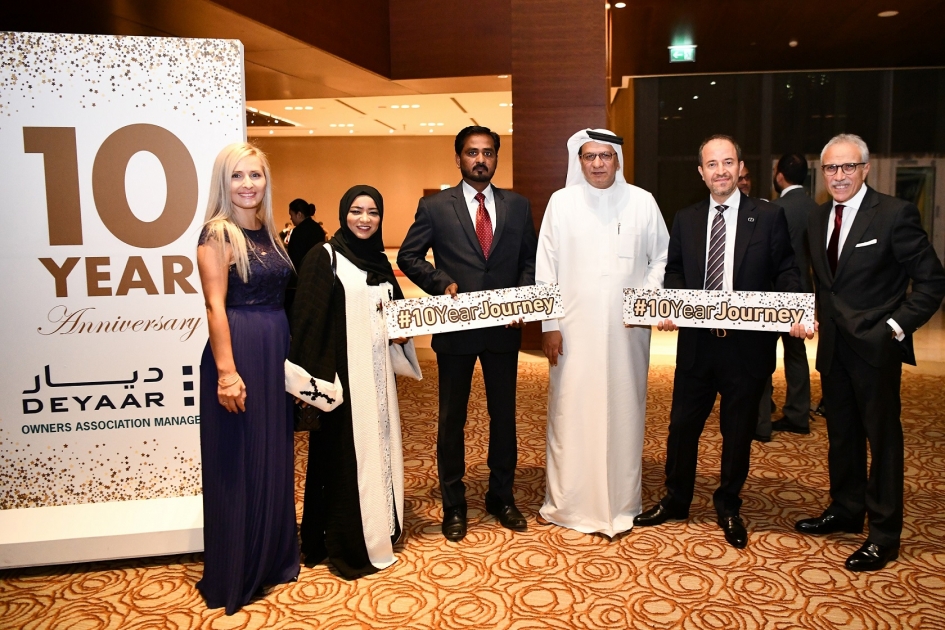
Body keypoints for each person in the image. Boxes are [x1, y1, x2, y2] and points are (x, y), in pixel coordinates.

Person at [633, 134, 804, 549]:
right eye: (712, 164)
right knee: (681, 427)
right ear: (701, 172)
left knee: (737, 431)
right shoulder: (686, 218)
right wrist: (671, 303)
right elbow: (674, 270)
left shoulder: (768, 216)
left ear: (740, 168)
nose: (721, 171)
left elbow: (786, 269)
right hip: (698, 346)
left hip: (747, 349)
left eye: (728, 162)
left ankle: (728, 504)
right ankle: (676, 499)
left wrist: (795, 309)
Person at [795, 134, 945, 571]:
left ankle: (884, 534)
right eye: (831, 168)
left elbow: (932, 281)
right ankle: (846, 509)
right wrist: (809, 315)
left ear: (865, 169)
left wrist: (894, 328)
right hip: (834, 348)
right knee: (841, 434)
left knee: (882, 441)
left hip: (877, 350)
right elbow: (826, 284)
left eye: (848, 167)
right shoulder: (817, 217)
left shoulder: (895, 214)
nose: (839, 176)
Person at [397, 126, 537, 542]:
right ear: (458, 158)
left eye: (488, 153)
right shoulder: (435, 206)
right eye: (472, 153)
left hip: (503, 328)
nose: (481, 160)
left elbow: (529, 259)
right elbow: (409, 255)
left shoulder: (518, 205)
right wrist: (440, 283)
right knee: (451, 419)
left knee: (504, 417)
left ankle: (501, 497)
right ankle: (454, 504)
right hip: (456, 328)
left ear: (496, 158)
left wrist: (520, 299)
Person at [536, 128, 669, 537]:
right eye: (589, 156)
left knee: (624, 412)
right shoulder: (561, 203)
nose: (597, 164)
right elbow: (546, 269)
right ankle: (569, 504)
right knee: (571, 414)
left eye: (605, 156)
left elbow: (661, 257)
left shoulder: (643, 202)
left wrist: (645, 301)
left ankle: (622, 502)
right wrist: (550, 325)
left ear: (617, 160)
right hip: (572, 334)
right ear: (579, 161)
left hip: (629, 334)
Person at [290, 185, 420, 578]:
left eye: (373, 212)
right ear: (344, 214)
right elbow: (308, 319)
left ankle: (381, 526)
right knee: (346, 458)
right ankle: (347, 540)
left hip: (379, 378)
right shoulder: (325, 256)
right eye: (357, 211)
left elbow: (395, 315)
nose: (365, 219)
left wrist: (401, 333)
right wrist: (317, 383)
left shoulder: (378, 261)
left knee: (380, 448)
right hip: (344, 380)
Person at [195, 142, 299, 615]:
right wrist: (226, 373)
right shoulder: (218, 233)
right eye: (237, 176)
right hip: (238, 352)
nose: (247, 184)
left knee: (272, 456)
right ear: (224, 182)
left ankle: (271, 558)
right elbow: (214, 305)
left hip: (273, 348)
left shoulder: (267, 230)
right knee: (238, 462)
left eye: (255, 175)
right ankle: (237, 570)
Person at [756, 154, 818, 440]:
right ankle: (798, 415)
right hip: (803, 291)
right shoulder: (817, 209)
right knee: (796, 355)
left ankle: (760, 423)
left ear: (779, 176)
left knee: (762, 355)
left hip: (772, 294)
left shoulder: (773, 210)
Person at [284, 198, 327, 317]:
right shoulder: (318, 229)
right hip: (317, 276)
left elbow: (294, 258)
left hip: (300, 279)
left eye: (291, 215)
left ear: (299, 214)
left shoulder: (298, 232)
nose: (291, 219)